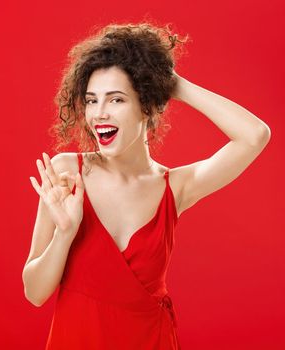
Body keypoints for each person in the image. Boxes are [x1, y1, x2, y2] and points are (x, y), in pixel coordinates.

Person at [21, 22, 271, 349]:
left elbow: (254, 136)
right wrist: (65, 233)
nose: (99, 114)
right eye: (92, 100)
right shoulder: (67, 172)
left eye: (116, 100)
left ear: (148, 104)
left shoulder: (175, 187)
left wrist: (173, 84)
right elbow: (35, 293)